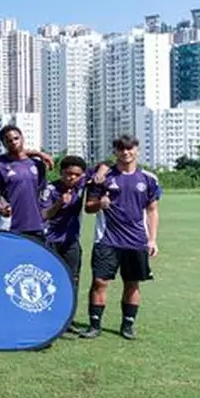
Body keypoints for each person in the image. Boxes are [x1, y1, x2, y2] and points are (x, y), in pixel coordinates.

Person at [80, 135, 160, 340]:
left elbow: (152, 210)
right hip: (107, 239)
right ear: (115, 152)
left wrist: (152, 240)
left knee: (132, 283)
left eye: (130, 148)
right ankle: (94, 326)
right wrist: (100, 204)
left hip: (137, 241)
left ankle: (128, 326)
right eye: (121, 149)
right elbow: (88, 207)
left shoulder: (149, 178)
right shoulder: (102, 177)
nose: (126, 153)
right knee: (99, 282)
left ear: (137, 150)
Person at [42, 156, 87, 330]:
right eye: (68, 173)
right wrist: (60, 203)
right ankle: (49, 319)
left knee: (72, 280)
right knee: (50, 280)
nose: (72, 177)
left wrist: (102, 170)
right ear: (61, 172)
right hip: (50, 242)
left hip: (71, 241)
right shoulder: (50, 189)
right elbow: (45, 215)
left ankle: (67, 319)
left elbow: (103, 167)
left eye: (77, 175)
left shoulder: (81, 185)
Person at [0, 126, 49, 240]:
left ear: (22, 138)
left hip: (36, 225)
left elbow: (42, 193)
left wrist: (38, 154)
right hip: (11, 226)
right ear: (3, 144)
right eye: (8, 141)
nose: (13, 142)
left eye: (16, 138)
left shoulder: (37, 165)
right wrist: (2, 208)